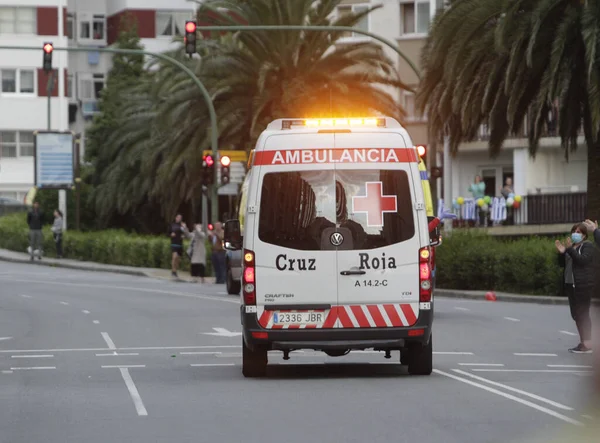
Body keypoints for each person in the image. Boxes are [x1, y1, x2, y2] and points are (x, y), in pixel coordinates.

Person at [555, 222, 595, 353]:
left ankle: (587, 344)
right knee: (576, 315)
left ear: (584, 235)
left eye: (578, 232)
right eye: (574, 231)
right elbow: (563, 265)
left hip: (582, 285)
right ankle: (583, 342)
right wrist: (561, 253)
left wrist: (570, 250)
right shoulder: (570, 247)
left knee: (582, 314)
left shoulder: (587, 246)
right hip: (570, 284)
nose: (575, 234)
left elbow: (582, 260)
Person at [168, 214, 188, 278]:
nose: (179, 218)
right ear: (175, 218)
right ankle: (173, 271)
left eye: (180, 218)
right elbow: (168, 233)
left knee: (178, 259)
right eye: (178, 217)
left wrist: (184, 230)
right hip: (174, 243)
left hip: (180, 244)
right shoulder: (172, 225)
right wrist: (171, 234)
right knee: (174, 257)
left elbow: (186, 234)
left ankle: (175, 270)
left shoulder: (182, 225)